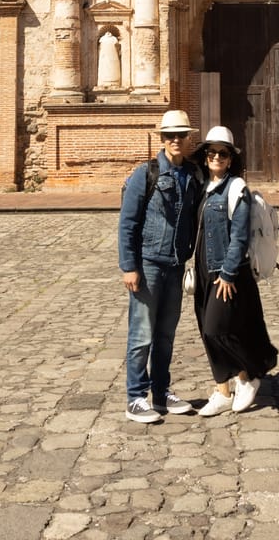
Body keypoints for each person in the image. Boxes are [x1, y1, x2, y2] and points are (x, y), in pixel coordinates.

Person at [118, 109, 203, 422]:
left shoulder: (193, 175)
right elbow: (128, 222)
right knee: (142, 334)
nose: (176, 140)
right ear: (162, 139)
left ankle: (161, 391)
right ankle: (135, 397)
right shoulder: (145, 174)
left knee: (166, 335)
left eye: (181, 135)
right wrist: (129, 266)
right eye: (170, 135)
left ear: (189, 138)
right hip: (149, 264)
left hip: (176, 264)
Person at [192, 126, 278, 416]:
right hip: (203, 268)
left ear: (230, 159)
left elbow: (239, 236)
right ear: (205, 157)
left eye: (223, 153)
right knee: (206, 331)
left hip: (225, 270)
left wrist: (228, 273)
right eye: (212, 152)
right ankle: (222, 391)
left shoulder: (236, 188)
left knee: (217, 328)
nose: (217, 157)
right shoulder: (202, 187)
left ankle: (249, 374)